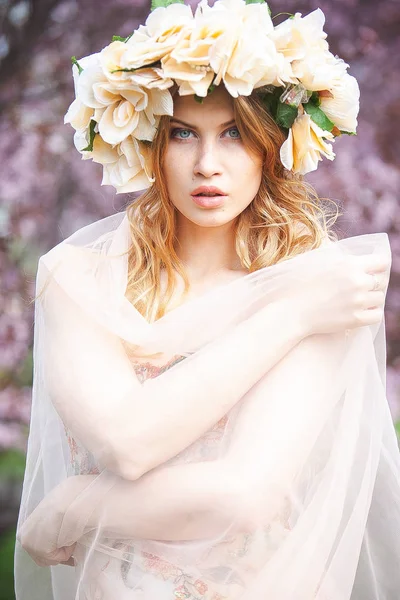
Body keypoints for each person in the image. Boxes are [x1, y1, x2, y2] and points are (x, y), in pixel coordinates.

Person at [14, 1, 400, 599]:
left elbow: (245, 495)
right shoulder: (76, 279)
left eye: (235, 134)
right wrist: (291, 318)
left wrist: (74, 505)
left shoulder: (317, 287)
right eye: (182, 134)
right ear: (148, 144)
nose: (207, 165)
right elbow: (126, 443)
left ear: (272, 148)